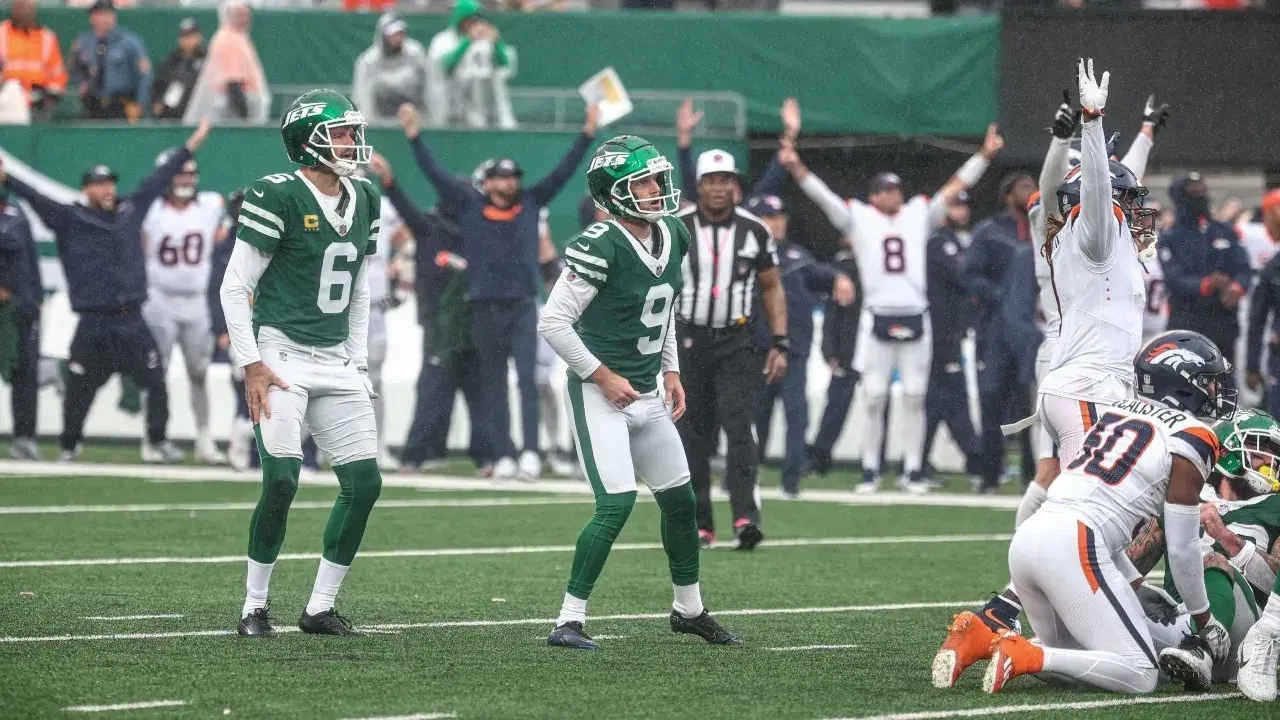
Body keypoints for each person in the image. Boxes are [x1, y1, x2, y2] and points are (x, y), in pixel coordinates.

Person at [935, 60, 1161, 687]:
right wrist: (1090, 126)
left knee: (1079, 509)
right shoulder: (1093, 233)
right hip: (1091, 384)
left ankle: (1004, 625)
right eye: (1130, 201)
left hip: (1077, 382)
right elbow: (1094, 192)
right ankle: (1007, 607)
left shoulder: (1075, 236)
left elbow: (1092, 186)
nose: (1140, 209)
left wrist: (1106, 140)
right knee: (1096, 511)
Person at [538, 134, 741, 650]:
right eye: (644, 182)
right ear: (614, 192)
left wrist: (671, 370)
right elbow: (554, 322)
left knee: (681, 501)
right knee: (616, 505)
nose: (657, 189)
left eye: (657, 178)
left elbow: (664, 309)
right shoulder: (599, 243)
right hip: (599, 393)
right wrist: (602, 375)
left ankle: (689, 610)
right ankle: (568, 620)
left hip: (648, 391)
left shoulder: (674, 233)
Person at [982, 330, 1235, 695]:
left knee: (1080, 658)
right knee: (1141, 674)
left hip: (1029, 540)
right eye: (1208, 382)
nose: (1214, 392)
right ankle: (1026, 655)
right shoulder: (1192, 434)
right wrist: (1203, 618)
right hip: (1074, 542)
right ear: (1183, 383)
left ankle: (991, 643)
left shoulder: (1115, 413)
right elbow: (1181, 549)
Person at [220, 89, 383, 637]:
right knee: (283, 479)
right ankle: (253, 605)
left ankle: (319, 607)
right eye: (338, 132)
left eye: (350, 131)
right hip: (282, 352)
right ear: (307, 141)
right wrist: (252, 363)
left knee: (364, 484)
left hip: (336, 357)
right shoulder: (277, 193)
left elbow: (359, 289)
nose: (350, 142)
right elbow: (234, 286)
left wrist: (358, 362)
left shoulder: (365, 197)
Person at [780, 113, 1001, 494]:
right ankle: (870, 469)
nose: (894, 195)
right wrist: (796, 165)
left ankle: (912, 469)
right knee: (874, 397)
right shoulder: (859, 218)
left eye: (897, 189)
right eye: (886, 190)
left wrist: (983, 156)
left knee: (915, 396)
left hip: (915, 315)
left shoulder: (918, 214)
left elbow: (953, 187)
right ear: (874, 195)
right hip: (876, 316)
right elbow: (822, 196)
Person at [397, 101, 597, 481]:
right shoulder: (470, 206)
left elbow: (564, 172)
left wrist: (587, 134)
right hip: (483, 307)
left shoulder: (531, 203)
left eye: (512, 178)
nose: (508, 184)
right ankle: (504, 453)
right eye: (500, 178)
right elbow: (434, 174)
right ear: (486, 183)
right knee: (494, 385)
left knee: (526, 381)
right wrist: (414, 136)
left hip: (523, 307)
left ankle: (531, 453)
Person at [0, 122, 209, 463]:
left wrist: (191, 146)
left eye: (110, 182)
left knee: (155, 382)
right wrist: (8, 179)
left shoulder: (130, 210)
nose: (107, 188)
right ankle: (69, 445)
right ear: (86, 190)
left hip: (132, 320)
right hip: (93, 324)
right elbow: (36, 197)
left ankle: (158, 441)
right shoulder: (69, 217)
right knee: (79, 391)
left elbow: (158, 180)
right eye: (99, 184)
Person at [672, 148, 785, 551]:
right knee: (694, 433)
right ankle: (701, 523)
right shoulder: (676, 227)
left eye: (725, 180)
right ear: (698, 185)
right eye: (711, 180)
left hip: (738, 340)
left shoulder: (755, 229)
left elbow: (771, 286)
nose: (719, 188)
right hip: (688, 339)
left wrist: (781, 342)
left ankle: (744, 518)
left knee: (740, 429)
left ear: (734, 185)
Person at [1123, 408, 1279, 690]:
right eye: (1260, 450)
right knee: (1122, 596)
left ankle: (1202, 649)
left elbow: (1275, 585)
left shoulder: (1275, 507)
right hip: (1178, 624)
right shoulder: (1184, 496)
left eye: (1272, 452)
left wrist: (1228, 539)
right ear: (1229, 452)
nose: (1270, 460)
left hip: (1238, 636)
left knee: (1214, 561)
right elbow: (1126, 567)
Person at [749, 194, 853, 498]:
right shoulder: (745, 255)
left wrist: (840, 277)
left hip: (793, 352)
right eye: (770, 217)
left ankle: (791, 482)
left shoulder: (796, 255)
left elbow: (824, 274)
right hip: (757, 350)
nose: (778, 222)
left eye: (780, 217)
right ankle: (743, 478)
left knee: (797, 417)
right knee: (755, 419)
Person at [141, 149, 226, 464]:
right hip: (159, 298)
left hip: (197, 300)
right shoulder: (151, 211)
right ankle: (152, 438)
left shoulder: (210, 205)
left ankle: (204, 439)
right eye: (180, 173)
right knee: (155, 373)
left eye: (190, 173)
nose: (186, 179)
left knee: (199, 372)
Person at [963, 171, 1038, 493]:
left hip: (1034, 332)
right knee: (992, 400)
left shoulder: (1047, 228)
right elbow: (969, 274)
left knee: (1031, 405)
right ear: (1008, 196)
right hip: (995, 330)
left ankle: (1033, 475)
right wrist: (1003, 298)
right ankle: (990, 474)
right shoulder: (990, 231)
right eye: (1024, 187)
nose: (1032, 191)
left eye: (1034, 186)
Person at [920, 192, 981, 486]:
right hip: (940, 334)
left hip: (950, 332)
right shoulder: (939, 241)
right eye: (956, 206)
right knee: (951, 399)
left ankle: (921, 463)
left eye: (964, 206)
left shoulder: (957, 241)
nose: (963, 211)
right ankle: (976, 459)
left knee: (937, 402)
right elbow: (963, 274)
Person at [1163, 172, 1252, 367]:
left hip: (1223, 325)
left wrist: (1236, 288)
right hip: (1187, 328)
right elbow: (1173, 279)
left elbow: (1244, 268)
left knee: (1226, 387)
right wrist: (1205, 284)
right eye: (1193, 192)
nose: (1199, 196)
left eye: (1202, 191)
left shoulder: (1225, 231)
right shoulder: (1170, 237)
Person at [425, 0, 516, 130]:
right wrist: (468, 40)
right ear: (461, 18)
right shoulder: (443, 40)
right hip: (450, 109)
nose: (475, 23)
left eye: (477, 19)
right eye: (470, 19)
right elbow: (445, 66)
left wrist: (497, 43)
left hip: (482, 110)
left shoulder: (485, 41)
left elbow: (504, 64)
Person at [0, 183, 40, 460]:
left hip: (21, 306)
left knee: (25, 371)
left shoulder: (17, 212)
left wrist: (36, 297)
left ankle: (24, 437)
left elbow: (30, 257)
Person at [182, 0, 269, 125]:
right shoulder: (228, 39)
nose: (244, 18)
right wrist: (246, 119)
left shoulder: (239, 37)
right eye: (239, 14)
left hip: (239, 107)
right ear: (229, 15)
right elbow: (233, 83)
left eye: (246, 14)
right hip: (231, 112)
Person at [69, 0, 150, 121]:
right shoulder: (83, 42)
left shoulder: (129, 42)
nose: (104, 19)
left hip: (121, 105)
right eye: (99, 14)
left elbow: (144, 75)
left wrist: (139, 103)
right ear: (92, 18)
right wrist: (81, 84)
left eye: (108, 14)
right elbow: (75, 71)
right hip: (91, 104)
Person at [352, 13, 429, 125]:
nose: (397, 38)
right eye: (393, 34)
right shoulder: (368, 61)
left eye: (400, 33)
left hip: (414, 120)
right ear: (383, 36)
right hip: (381, 122)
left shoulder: (416, 55)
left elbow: (428, 88)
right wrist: (368, 124)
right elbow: (363, 96)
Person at [0, 0, 68, 119]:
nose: (23, 11)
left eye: (28, 7)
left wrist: (49, 96)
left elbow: (58, 74)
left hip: (38, 100)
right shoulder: (2, 33)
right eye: (20, 6)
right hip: (6, 99)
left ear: (34, 10)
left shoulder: (47, 37)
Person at [149, 17, 205, 120]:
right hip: (172, 117)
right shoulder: (170, 61)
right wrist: (157, 102)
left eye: (191, 36)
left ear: (199, 37)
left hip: (199, 115)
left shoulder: (206, 60)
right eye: (184, 36)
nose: (188, 40)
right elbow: (156, 87)